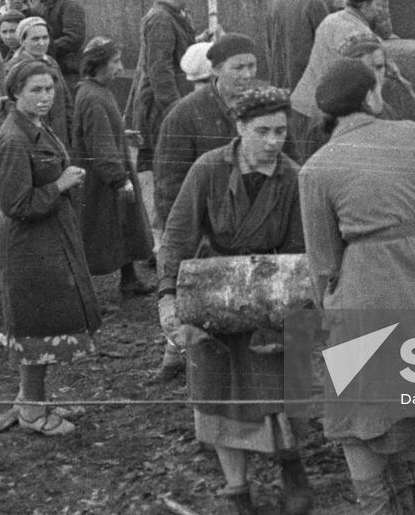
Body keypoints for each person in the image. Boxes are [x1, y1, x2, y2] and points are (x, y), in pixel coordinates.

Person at [299, 59, 415, 514]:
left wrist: (329, 311)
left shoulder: (315, 168)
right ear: (371, 98)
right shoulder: (411, 133)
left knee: (356, 413)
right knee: (411, 400)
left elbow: (323, 262)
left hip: (367, 289)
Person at [159, 87, 311, 515]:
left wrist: (282, 315)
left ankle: (293, 470)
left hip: (269, 297)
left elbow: (300, 255)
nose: (273, 141)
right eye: (262, 131)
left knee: (276, 391)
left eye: (281, 131)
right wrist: (169, 299)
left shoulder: (293, 178)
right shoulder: (208, 170)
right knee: (217, 392)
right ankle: (236, 489)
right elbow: (178, 236)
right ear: (240, 128)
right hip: (211, 295)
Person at [0, 59, 101, 436]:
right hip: (28, 245)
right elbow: (15, 204)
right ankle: (33, 412)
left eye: (49, 89)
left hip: (48, 237)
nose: (44, 97)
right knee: (34, 326)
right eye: (35, 90)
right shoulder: (12, 139)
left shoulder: (37, 126)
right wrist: (60, 186)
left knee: (45, 321)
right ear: (15, 93)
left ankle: (32, 397)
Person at [72, 37, 154, 297]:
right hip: (102, 180)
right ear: (97, 65)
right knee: (98, 233)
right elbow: (99, 144)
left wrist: (123, 133)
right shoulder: (92, 97)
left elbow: (105, 131)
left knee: (124, 226)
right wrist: (119, 179)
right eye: (115, 62)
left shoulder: (99, 91)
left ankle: (129, 280)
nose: (120, 67)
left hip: (110, 172)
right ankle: (82, 294)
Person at [155, 34, 261, 227]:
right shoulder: (184, 115)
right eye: (238, 68)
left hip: (259, 221)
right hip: (208, 225)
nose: (247, 75)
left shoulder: (265, 106)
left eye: (252, 66)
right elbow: (170, 183)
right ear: (216, 70)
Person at [290, 0, 389, 158]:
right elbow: (366, 78)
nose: (381, 9)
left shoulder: (332, 18)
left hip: (302, 106)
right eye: (379, 3)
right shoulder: (359, 34)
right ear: (364, 5)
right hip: (324, 117)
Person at [126, 0, 199, 172]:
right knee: (168, 166)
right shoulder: (161, 19)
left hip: (171, 100)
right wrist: (175, 109)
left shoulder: (176, 14)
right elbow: (160, 71)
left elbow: (178, 50)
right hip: (161, 106)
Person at [265, 0, 333, 90]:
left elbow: (269, 43)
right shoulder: (314, 2)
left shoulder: (274, 0)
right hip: (308, 81)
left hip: (280, 80)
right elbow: (328, 45)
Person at [7, 16, 72, 145]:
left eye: (45, 38)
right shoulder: (15, 68)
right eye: (35, 39)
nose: (42, 43)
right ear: (23, 41)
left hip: (59, 134)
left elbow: (66, 100)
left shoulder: (51, 62)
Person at [34, 0, 87, 86]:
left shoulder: (70, 5)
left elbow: (74, 38)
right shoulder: (38, 6)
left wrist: (43, 49)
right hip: (45, 67)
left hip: (68, 69)